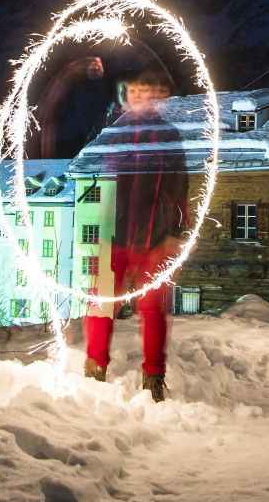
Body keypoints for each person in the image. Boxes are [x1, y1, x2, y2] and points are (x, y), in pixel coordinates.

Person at [82, 66, 189, 401]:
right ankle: (94, 368)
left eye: (145, 91)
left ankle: (154, 376)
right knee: (99, 305)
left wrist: (176, 231)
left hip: (154, 239)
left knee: (153, 310)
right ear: (124, 96)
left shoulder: (169, 135)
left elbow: (180, 185)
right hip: (113, 235)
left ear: (157, 95)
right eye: (132, 92)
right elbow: (97, 179)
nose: (139, 97)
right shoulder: (113, 133)